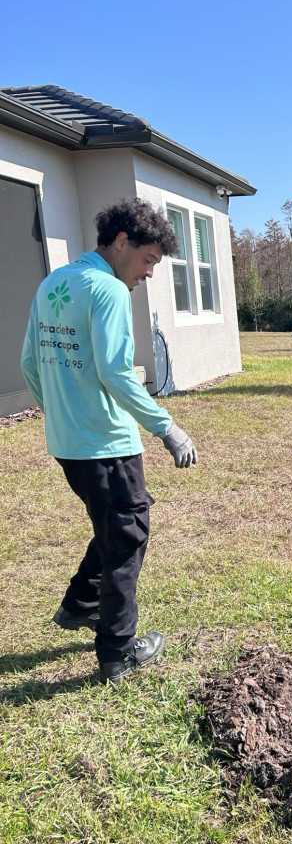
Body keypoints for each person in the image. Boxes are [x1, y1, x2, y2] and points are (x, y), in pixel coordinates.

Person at [20, 197, 198, 683]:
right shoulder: (108, 290)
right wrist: (167, 427)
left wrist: (61, 410)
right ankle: (118, 652)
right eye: (148, 260)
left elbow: (29, 364)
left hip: (67, 443)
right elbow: (117, 372)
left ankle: (80, 604)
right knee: (127, 536)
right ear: (122, 242)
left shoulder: (54, 282)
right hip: (106, 444)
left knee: (111, 521)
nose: (149, 274)